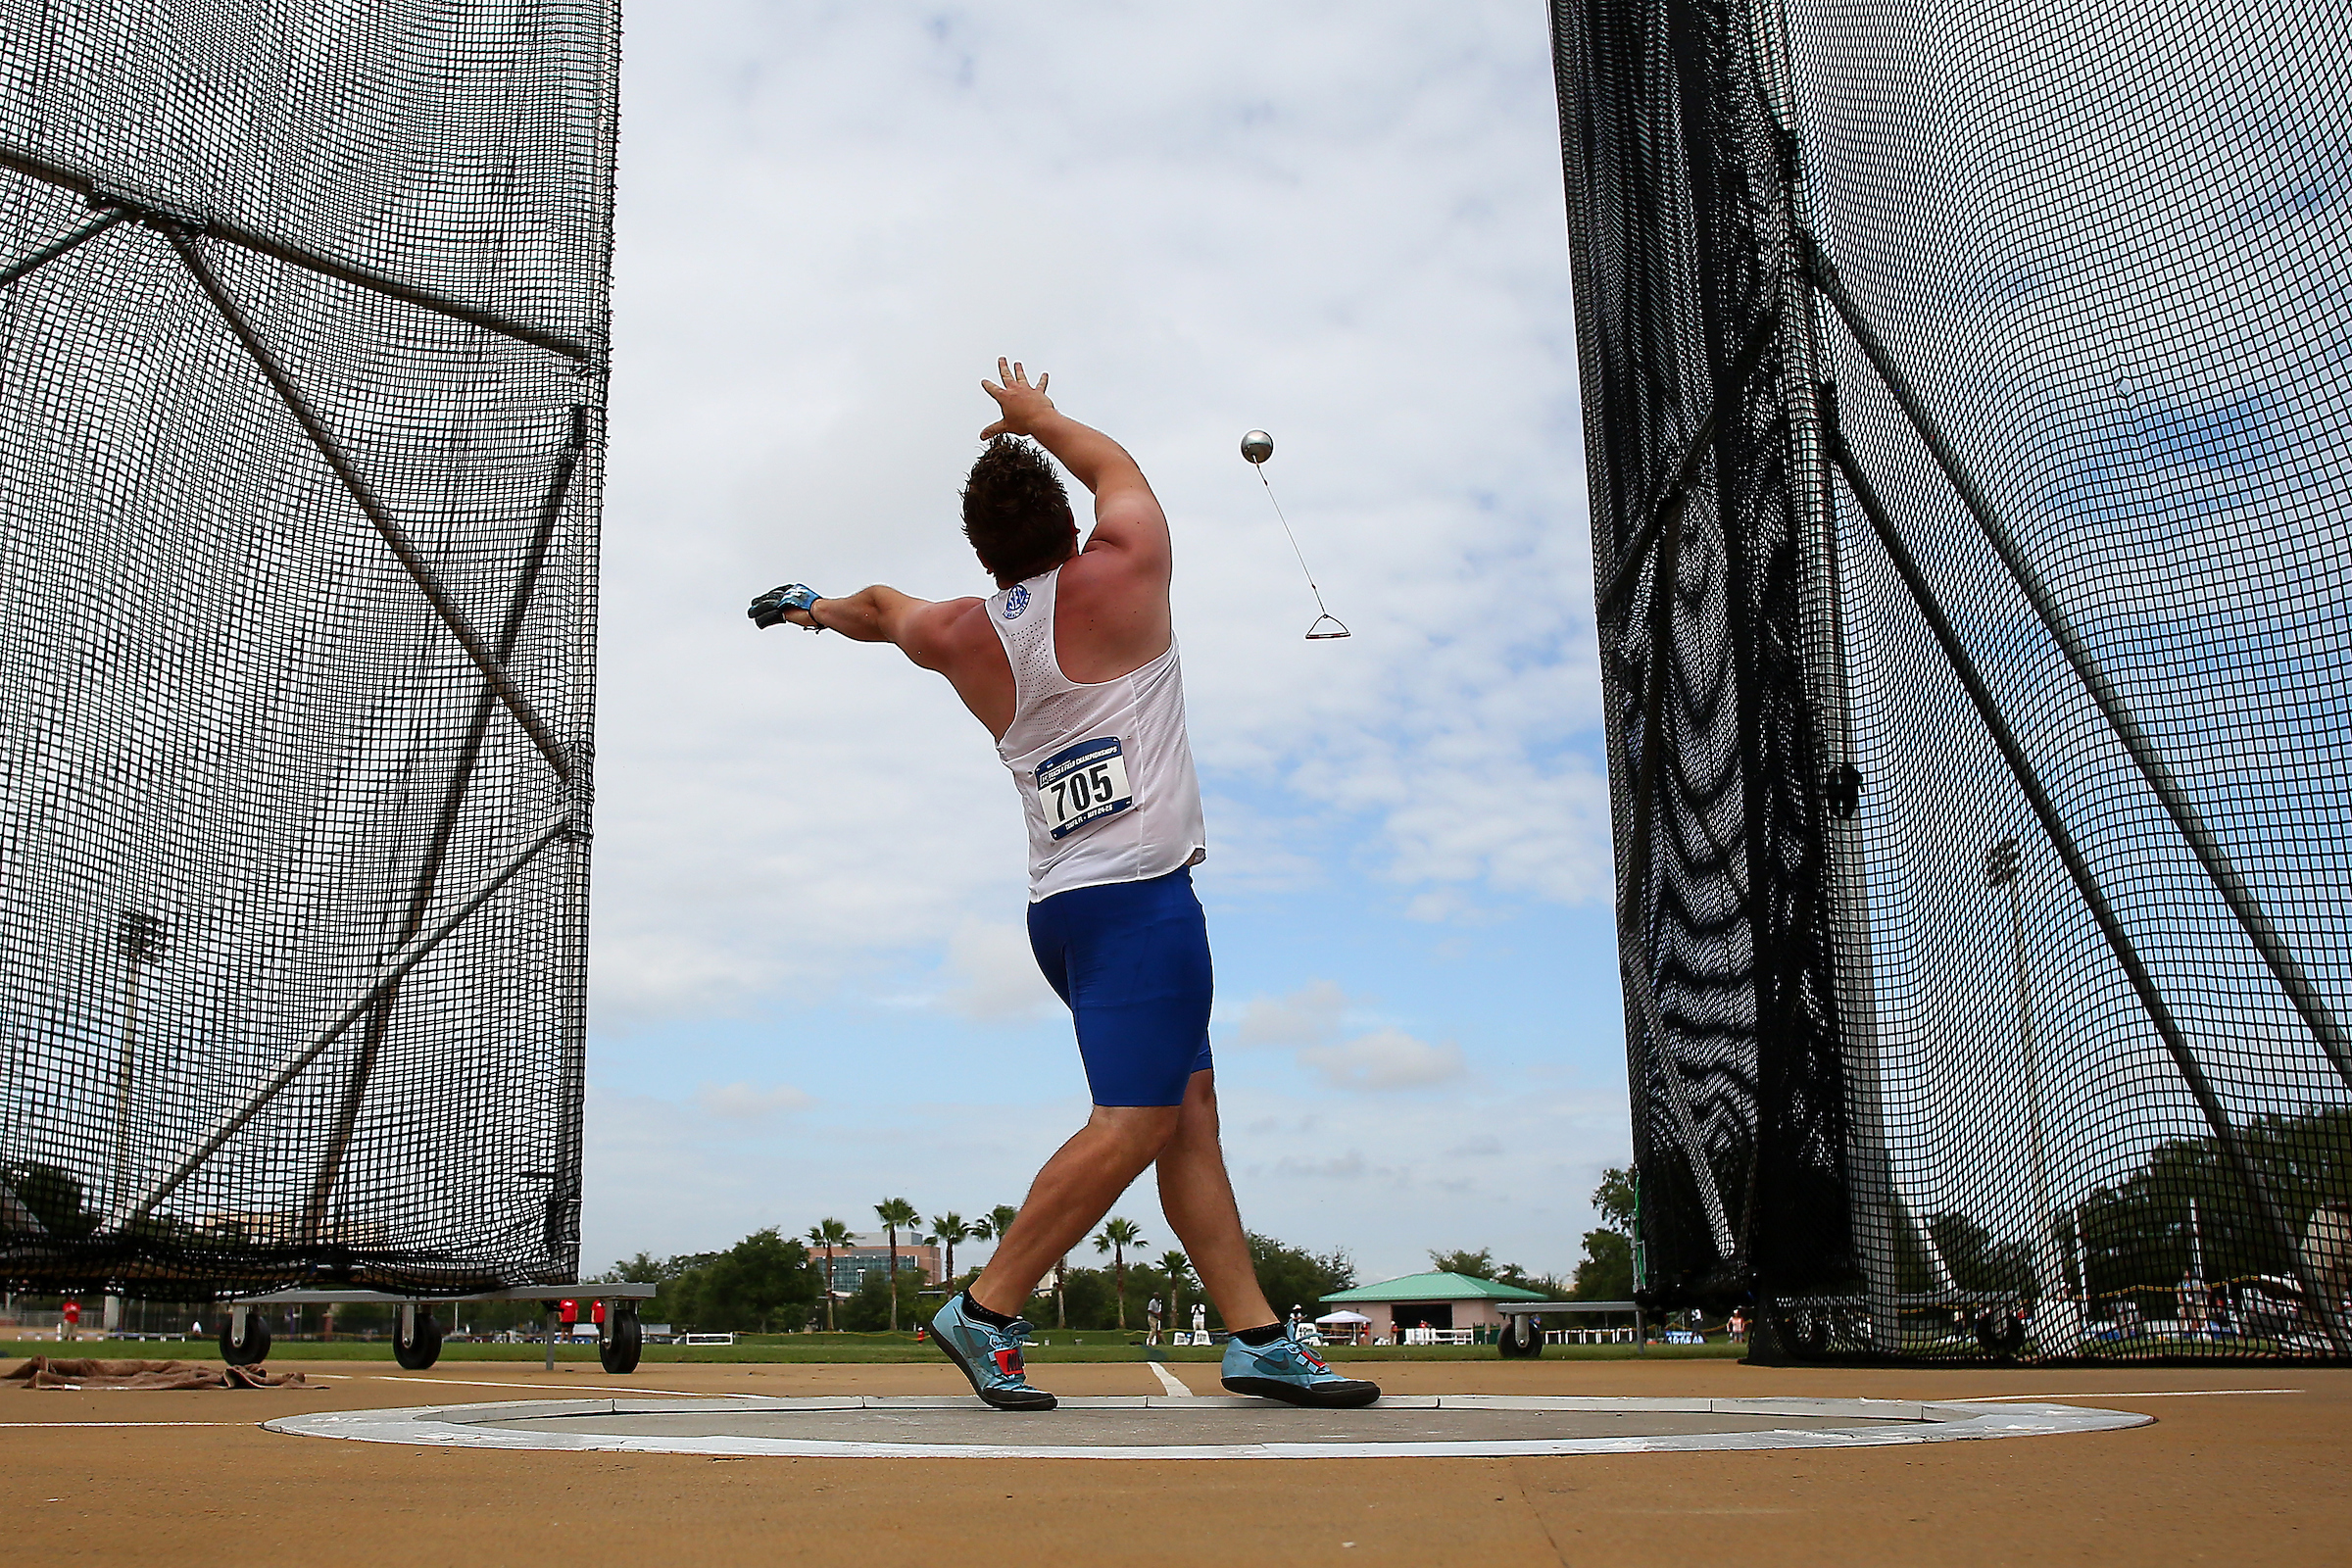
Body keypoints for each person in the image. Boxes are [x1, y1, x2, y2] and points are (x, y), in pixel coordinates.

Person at [750, 360, 1376, 1414]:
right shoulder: (1126, 568)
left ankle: (1256, 1337)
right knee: (1133, 1123)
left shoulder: (956, 631)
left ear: (983, 553)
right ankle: (985, 1307)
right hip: (1141, 903)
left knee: (1189, 1116)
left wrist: (810, 607)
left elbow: (878, 607)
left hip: (1062, 916)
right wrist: (1039, 416)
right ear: (1068, 523)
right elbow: (1116, 464)